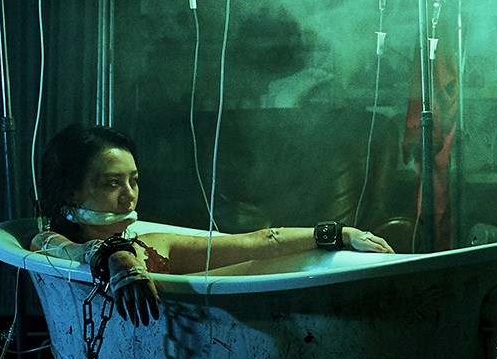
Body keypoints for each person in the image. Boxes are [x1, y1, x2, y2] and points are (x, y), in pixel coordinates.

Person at [31, 123, 394, 326]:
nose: (129, 195)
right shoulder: (46, 244)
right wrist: (116, 257)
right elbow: (74, 252)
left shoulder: (156, 244)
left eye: (134, 181)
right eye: (113, 183)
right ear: (72, 192)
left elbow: (259, 242)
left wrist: (340, 234)